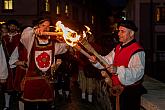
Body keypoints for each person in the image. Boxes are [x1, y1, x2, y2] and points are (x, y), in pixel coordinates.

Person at [10, 18, 68, 110]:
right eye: (43, 25)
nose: (46, 28)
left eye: (48, 26)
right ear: (37, 26)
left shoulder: (53, 44)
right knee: (30, 107)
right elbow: (24, 35)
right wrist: (34, 30)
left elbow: (65, 47)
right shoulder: (30, 41)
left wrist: (65, 39)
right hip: (32, 83)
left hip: (46, 83)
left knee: (45, 107)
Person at [90, 20, 146, 110]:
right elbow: (107, 61)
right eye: (119, 31)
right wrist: (96, 61)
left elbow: (138, 72)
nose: (119, 34)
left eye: (122, 31)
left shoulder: (137, 50)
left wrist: (117, 70)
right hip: (116, 90)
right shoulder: (118, 47)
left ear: (131, 33)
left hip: (130, 94)